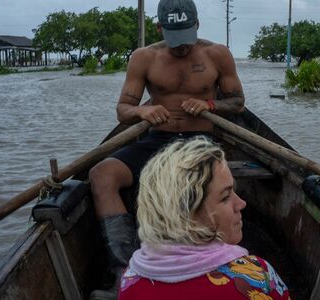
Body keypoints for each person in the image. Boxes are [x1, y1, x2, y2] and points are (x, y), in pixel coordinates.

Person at [88, 0, 246, 288]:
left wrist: (209, 103)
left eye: (186, 38)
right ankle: (124, 267)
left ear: (197, 25)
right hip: (157, 140)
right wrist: (142, 111)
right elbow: (123, 109)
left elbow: (237, 102)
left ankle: (213, 260)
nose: (182, 48)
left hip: (200, 143)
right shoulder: (144, 58)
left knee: (193, 186)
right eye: (174, 38)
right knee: (102, 175)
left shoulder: (217, 55)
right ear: (160, 28)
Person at [118, 137, 290, 300]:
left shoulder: (130, 280)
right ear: (187, 215)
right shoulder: (257, 276)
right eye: (225, 197)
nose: (241, 203)